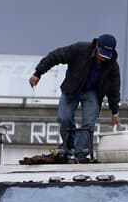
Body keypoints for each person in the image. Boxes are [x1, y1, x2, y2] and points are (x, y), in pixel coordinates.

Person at [29, 34, 121, 162]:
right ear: (96, 46)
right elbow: (55, 56)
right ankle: (70, 146)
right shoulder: (79, 50)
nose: (102, 58)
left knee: (88, 122)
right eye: (101, 54)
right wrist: (38, 73)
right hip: (72, 89)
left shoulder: (112, 66)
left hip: (92, 92)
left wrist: (114, 111)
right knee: (64, 117)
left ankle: (81, 152)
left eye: (106, 56)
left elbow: (114, 89)